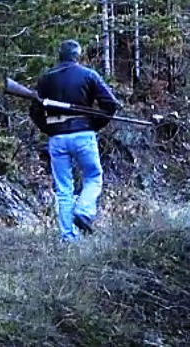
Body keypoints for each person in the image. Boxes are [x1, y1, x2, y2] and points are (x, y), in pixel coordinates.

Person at [29, 39, 120, 242]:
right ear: (77, 55)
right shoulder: (88, 75)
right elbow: (110, 105)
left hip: (57, 138)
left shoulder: (45, 79)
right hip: (83, 135)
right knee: (94, 177)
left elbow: (34, 111)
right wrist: (93, 125)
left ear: (59, 55)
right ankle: (84, 211)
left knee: (63, 189)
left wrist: (49, 128)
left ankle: (68, 237)